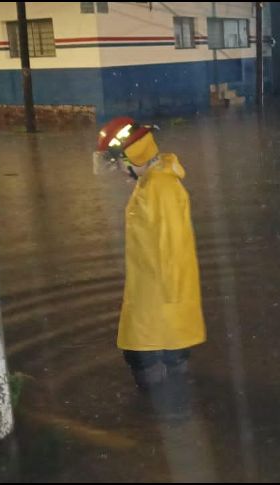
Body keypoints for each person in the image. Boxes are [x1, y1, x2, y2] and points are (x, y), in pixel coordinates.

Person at [96, 117, 206, 392]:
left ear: (136, 156)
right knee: (169, 350)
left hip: (158, 292)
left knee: (140, 353)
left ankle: (157, 416)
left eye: (121, 163)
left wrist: (170, 297)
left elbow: (170, 245)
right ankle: (174, 402)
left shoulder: (159, 188)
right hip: (156, 288)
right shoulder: (154, 181)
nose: (120, 171)